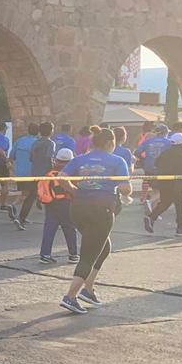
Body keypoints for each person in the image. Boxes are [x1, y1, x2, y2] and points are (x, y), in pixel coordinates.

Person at [58, 126, 131, 314]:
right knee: (89, 254)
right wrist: (116, 183)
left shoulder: (80, 158)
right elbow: (126, 189)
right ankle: (70, 296)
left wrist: (74, 189)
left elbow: (61, 177)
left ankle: (88, 290)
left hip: (78, 209)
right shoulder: (117, 160)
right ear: (110, 143)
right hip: (101, 211)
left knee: (104, 247)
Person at [37, 148, 80, 264]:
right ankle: (73, 255)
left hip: (50, 204)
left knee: (49, 229)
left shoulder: (50, 174)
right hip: (66, 204)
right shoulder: (70, 174)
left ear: (56, 160)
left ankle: (45, 255)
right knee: (70, 229)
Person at [144, 132, 182, 237]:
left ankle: (152, 217)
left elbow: (157, 163)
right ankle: (181, 228)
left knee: (165, 202)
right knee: (180, 205)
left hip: (164, 181)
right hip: (178, 183)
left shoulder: (166, 152)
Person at [6, 122, 40, 230]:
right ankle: (16, 210)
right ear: (38, 132)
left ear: (28, 130)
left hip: (20, 173)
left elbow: (12, 156)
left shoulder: (19, 141)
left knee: (26, 193)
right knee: (30, 195)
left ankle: (20, 215)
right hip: (32, 173)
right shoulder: (37, 143)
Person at [134, 123, 172, 213]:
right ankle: (150, 203)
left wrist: (143, 160)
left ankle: (153, 211)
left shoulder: (148, 141)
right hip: (162, 168)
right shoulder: (168, 142)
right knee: (164, 190)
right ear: (165, 132)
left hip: (149, 168)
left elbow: (137, 152)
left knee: (155, 189)